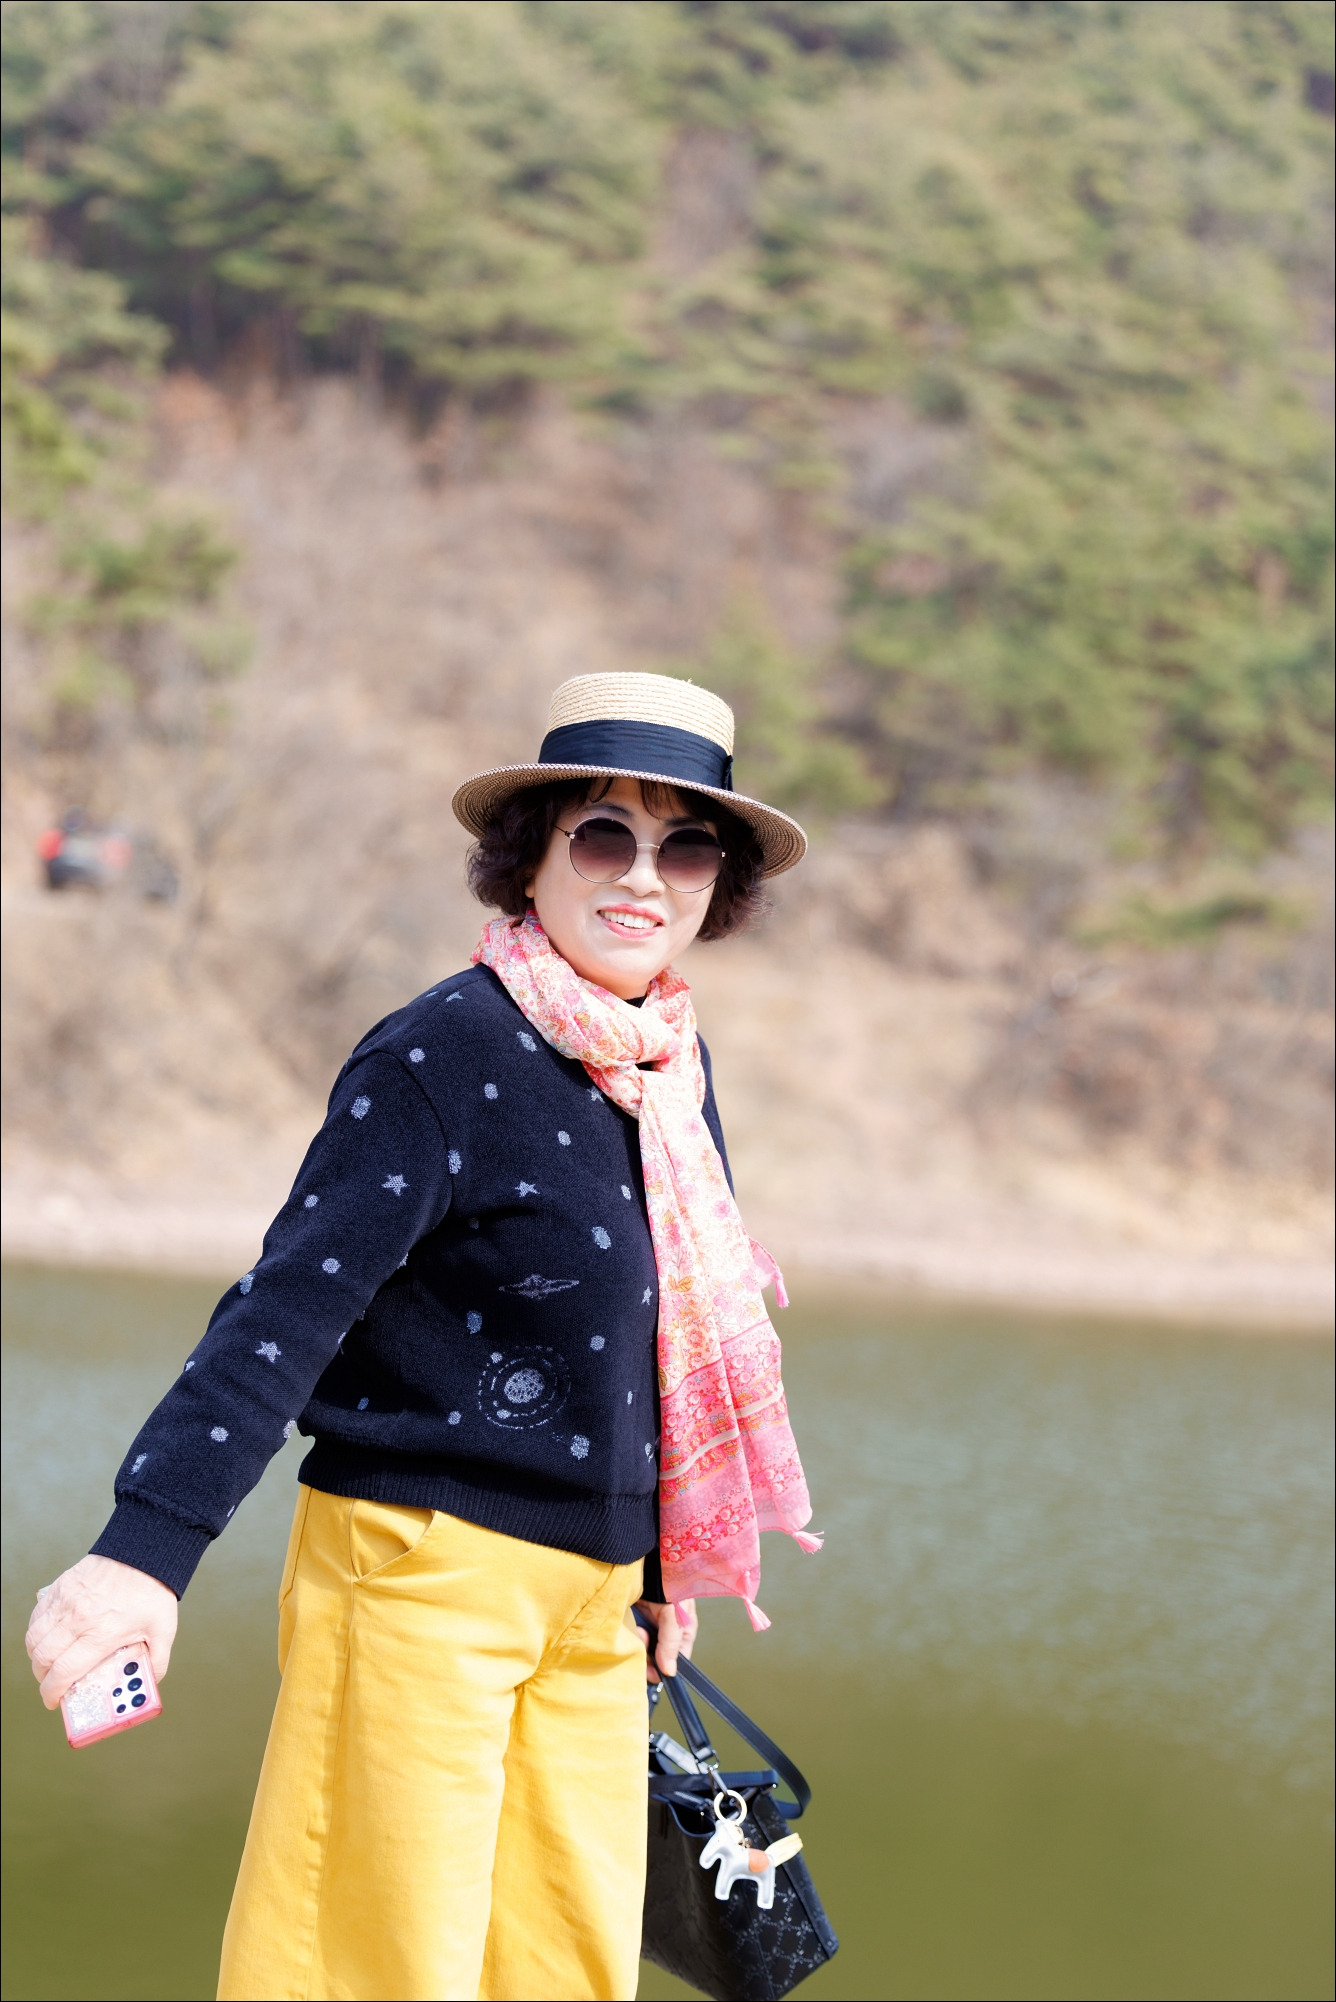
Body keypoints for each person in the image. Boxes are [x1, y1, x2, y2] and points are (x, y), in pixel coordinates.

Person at [26, 671, 820, 2002]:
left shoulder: (669, 1072)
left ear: (717, 884)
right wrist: (142, 1555)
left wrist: (658, 1563)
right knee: (372, 1969)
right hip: (420, 1577)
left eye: (686, 846)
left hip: (597, 1608)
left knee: (564, 1972)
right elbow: (287, 1308)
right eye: (604, 834)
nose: (644, 875)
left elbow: (646, 1331)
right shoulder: (441, 1053)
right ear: (533, 855)